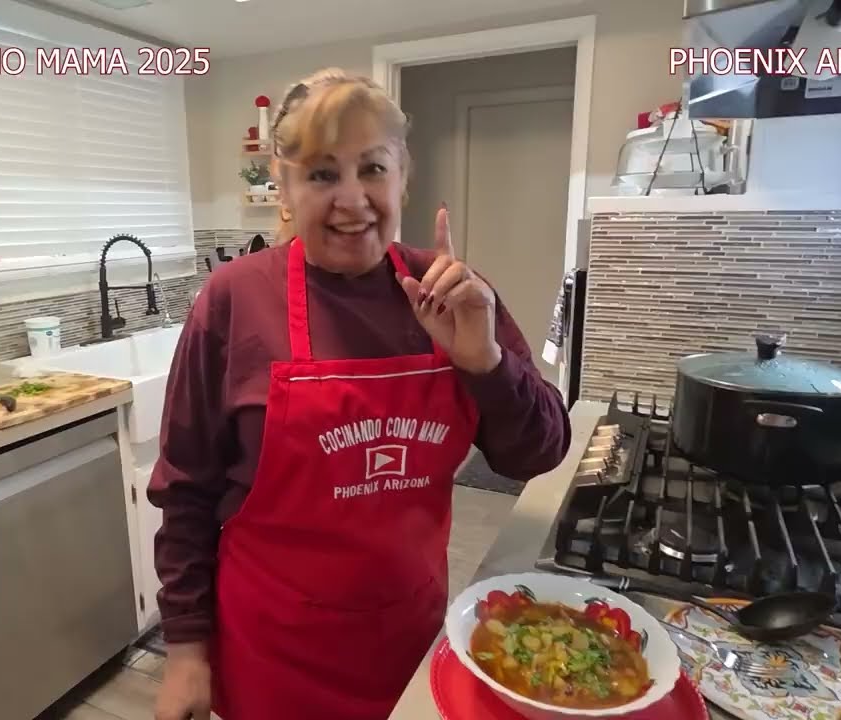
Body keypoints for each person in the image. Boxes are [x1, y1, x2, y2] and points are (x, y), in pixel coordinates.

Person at [150, 68, 571, 720]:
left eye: (372, 169)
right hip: (269, 653)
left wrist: (484, 362)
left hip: (407, 637)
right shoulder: (234, 300)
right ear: (284, 184)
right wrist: (186, 652)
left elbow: (538, 454)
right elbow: (185, 491)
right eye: (322, 174)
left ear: (403, 173)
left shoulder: (453, 294)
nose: (352, 200)